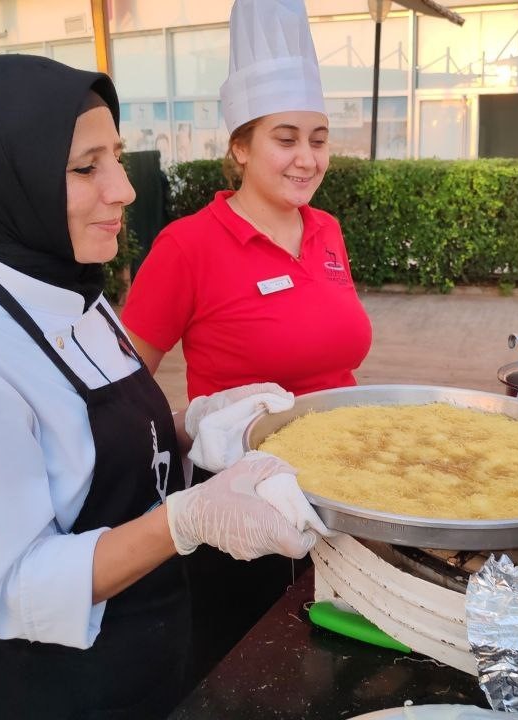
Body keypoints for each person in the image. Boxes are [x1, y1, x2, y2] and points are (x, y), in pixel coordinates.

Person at [0, 55, 322, 720]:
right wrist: (184, 520)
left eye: (117, 156)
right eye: (87, 167)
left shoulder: (76, 297)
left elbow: (85, 450)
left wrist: (194, 425)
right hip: (47, 688)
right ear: (6, 182)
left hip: (147, 657)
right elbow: (16, 585)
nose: (123, 189)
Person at [120, 0, 372, 680]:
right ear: (239, 146)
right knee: (255, 677)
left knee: (345, 668)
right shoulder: (188, 246)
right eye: (285, 138)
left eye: (318, 138)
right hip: (245, 504)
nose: (306, 158)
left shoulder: (327, 232)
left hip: (347, 487)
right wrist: (176, 432)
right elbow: (122, 382)